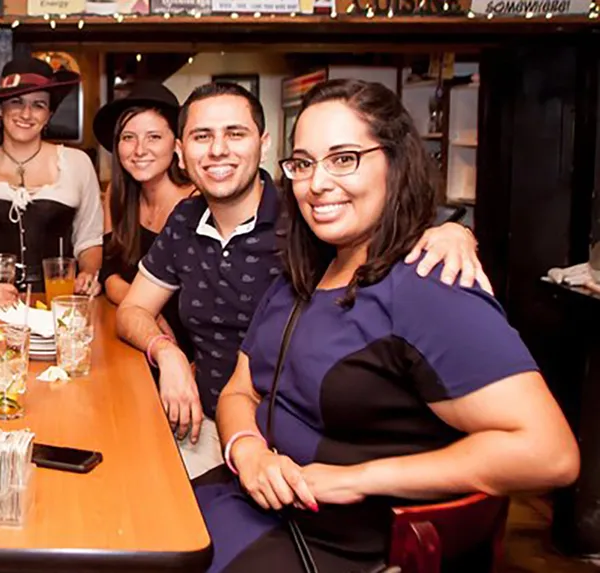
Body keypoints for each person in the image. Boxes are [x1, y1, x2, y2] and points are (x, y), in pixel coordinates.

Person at [197, 78, 579, 573]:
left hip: (335, 540)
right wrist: (246, 451)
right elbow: (238, 392)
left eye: (344, 158)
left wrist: (356, 478)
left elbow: (549, 452)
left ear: (395, 164)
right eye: (304, 163)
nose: (317, 183)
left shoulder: (429, 287)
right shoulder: (301, 276)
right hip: (250, 497)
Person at [115, 81, 489, 479]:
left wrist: (451, 233)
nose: (218, 149)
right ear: (181, 152)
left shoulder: (308, 213)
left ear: (264, 142)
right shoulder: (186, 220)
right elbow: (133, 309)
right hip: (208, 426)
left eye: (235, 133)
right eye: (202, 136)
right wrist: (165, 352)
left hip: (299, 445)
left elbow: (386, 232)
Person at [0, 56, 103, 295]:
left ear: (48, 114)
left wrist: (88, 273)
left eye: (38, 105)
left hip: (58, 302)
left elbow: (89, 241)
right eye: (16, 102)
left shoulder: (77, 164)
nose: (26, 114)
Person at [95, 81, 196, 370]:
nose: (139, 149)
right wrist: (143, 312)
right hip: (136, 339)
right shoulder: (118, 192)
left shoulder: (197, 201)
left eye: (154, 136)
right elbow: (110, 275)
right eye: (128, 137)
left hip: (189, 357)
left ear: (176, 144)